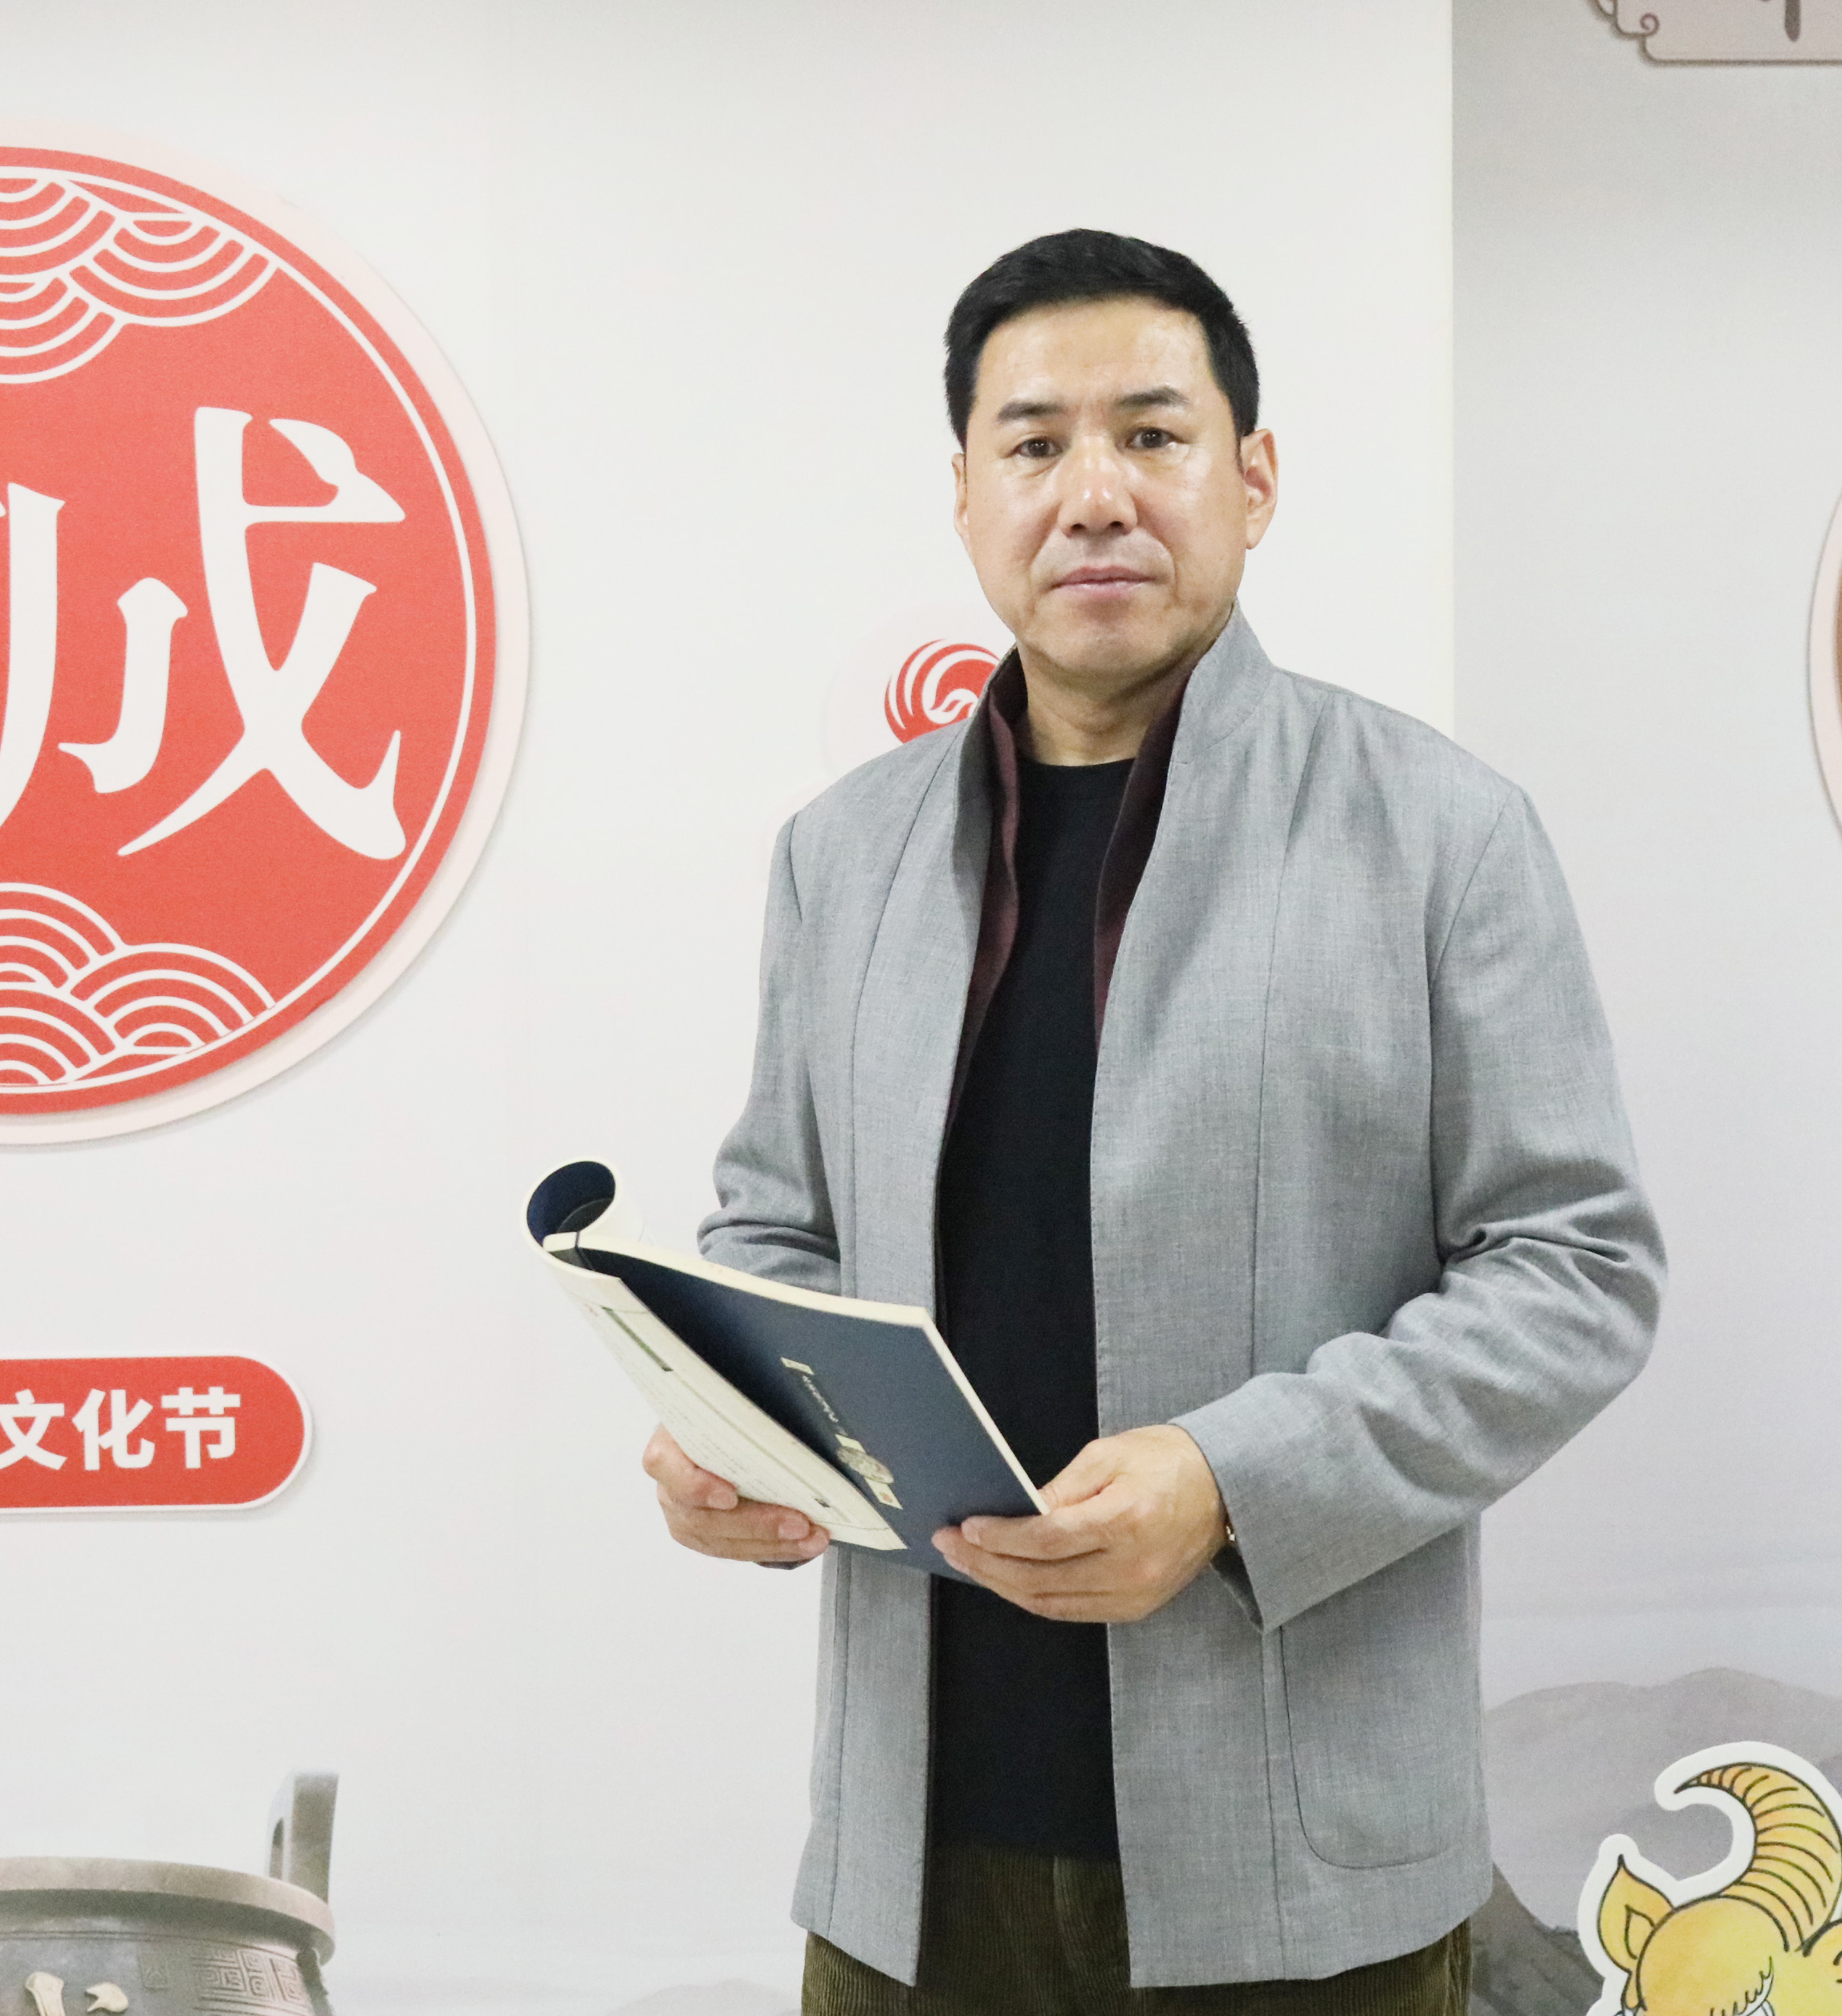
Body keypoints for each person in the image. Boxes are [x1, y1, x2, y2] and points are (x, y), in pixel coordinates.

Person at [644, 228, 1664, 2014]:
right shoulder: (842, 853)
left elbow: (1575, 1271)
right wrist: (736, 1415)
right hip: (909, 1868)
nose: (1094, 492)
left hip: (1301, 1871)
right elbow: (775, 1225)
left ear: (1251, 480)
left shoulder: (1439, 831)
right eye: (1035, 444)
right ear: (965, 496)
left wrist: (1234, 1479)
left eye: (1152, 435)